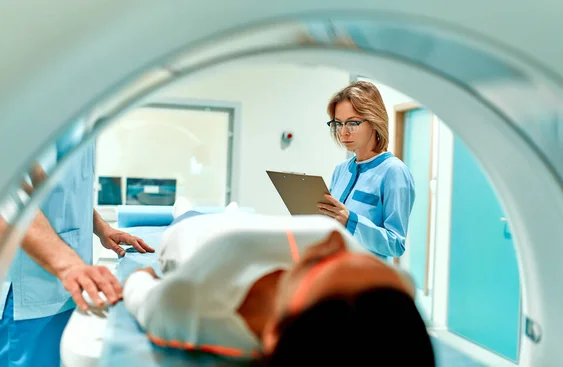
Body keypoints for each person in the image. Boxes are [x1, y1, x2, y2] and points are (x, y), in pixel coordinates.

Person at [123, 198, 434, 365]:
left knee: (186, 211)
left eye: (318, 265)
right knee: (234, 211)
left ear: (274, 332)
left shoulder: (191, 304)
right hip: (264, 224)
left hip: (192, 233)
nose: (334, 245)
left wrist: (144, 273)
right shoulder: (391, 295)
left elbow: (139, 286)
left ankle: (185, 205)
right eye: (361, 257)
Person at [0, 128, 154, 367]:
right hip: (27, 289)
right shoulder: (29, 105)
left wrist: (102, 228)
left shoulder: (80, 117)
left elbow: (65, 192)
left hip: (67, 281)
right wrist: (68, 265)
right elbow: (9, 199)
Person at [318, 81, 415, 259]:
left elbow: (396, 245)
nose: (343, 132)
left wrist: (351, 221)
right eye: (338, 124)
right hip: (335, 271)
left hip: (368, 279)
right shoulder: (341, 170)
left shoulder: (394, 172)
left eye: (352, 123)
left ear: (373, 121)